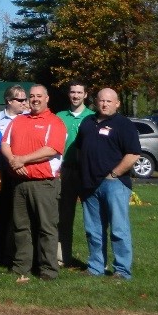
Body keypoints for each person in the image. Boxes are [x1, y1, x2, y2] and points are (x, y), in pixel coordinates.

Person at [0, 84, 66, 282]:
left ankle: (48, 269)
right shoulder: (19, 120)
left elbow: (51, 149)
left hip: (44, 183)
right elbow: (5, 143)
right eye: (32, 96)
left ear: (47, 98)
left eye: (39, 96)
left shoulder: (55, 122)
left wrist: (22, 160)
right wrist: (13, 160)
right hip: (20, 183)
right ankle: (21, 266)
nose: (35, 99)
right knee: (21, 227)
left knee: (47, 228)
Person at [76, 88, 141, 280]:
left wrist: (114, 173)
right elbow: (79, 149)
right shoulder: (88, 122)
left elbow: (133, 154)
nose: (104, 104)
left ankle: (122, 270)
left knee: (119, 229)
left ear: (117, 103)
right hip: (89, 185)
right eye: (101, 101)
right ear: (96, 102)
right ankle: (96, 267)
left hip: (115, 184)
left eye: (109, 101)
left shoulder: (124, 124)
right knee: (93, 229)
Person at [0, 85, 28, 268]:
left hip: (23, 172)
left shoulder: (28, 119)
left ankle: (16, 256)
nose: (25, 103)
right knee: (0, 216)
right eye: (21, 100)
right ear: (9, 101)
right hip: (1, 172)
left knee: (19, 217)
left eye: (25, 99)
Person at [57, 80, 95, 267]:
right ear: (69, 94)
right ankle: (63, 257)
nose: (76, 96)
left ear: (85, 95)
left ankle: (96, 260)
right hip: (66, 170)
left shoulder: (93, 117)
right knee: (63, 216)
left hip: (87, 171)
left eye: (79, 92)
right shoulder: (60, 117)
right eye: (73, 92)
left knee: (92, 216)